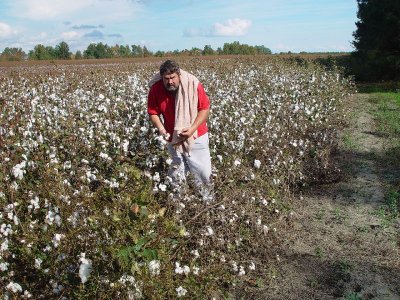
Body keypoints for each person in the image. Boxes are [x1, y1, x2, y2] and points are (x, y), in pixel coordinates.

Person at [147, 60, 213, 201]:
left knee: (202, 172)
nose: (170, 82)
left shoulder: (193, 84)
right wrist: (161, 129)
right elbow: (153, 112)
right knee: (177, 171)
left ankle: (207, 203)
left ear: (179, 75)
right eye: (166, 79)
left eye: (173, 78)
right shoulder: (156, 89)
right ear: (161, 77)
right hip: (172, 137)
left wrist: (192, 129)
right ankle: (180, 203)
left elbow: (205, 109)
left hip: (196, 135)